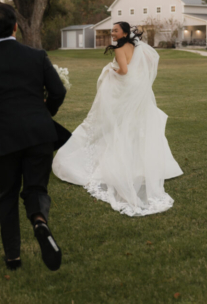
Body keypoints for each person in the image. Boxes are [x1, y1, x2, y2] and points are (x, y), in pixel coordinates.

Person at [0, 4, 67, 271]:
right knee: (35, 188)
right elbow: (57, 91)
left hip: (4, 137)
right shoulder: (37, 56)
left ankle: (13, 257)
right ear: (16, 27)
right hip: (39, 133)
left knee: (7, 194)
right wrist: (45, 114)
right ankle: (39, 222)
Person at [53, 21, 183, 217]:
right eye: (112, 30)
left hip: (122, 89)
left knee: (112, 123)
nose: (112, 33)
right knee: (132, 125)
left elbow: (124, 70)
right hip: (133, 89)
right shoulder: (135, 46)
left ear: (124, 32)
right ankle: (139, 166)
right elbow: (144, 63)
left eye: (115, 30)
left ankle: (112, 164)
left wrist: (110, 70)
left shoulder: (121, 47)